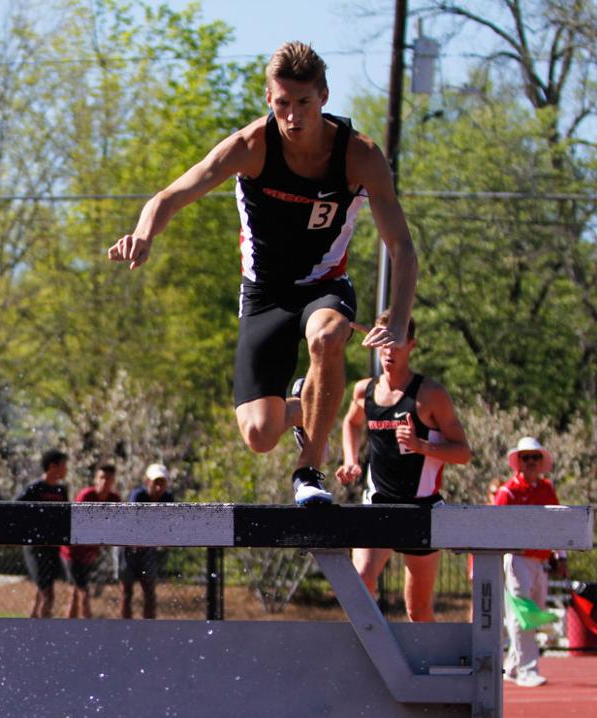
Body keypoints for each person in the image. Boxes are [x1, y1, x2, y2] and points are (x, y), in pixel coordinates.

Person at [107, 41, 417, 507]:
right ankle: (301, 403)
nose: (293, 117)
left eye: (304, 104)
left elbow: (403, 246)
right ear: (269, 101)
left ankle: (308, 472)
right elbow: (168, 196)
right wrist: (144, 234)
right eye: (283, 104)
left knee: (328, 337)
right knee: (259, 434)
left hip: (324, 285)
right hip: (265, 294)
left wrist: (397, 320)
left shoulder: (360, 157)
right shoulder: (250, 147)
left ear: (325, 97)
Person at [334, 315, 470, 621]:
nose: (388, 351)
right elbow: (351, 423)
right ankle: (375, 660)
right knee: (359, 583)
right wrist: (351, 460)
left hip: (421, 509)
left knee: (418, 609)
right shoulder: (364, 391)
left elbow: (463, 453)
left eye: (396, 343)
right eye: (383, 342)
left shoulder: (430, 395)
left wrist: (423, 446)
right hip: (378, 503)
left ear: (411, 346)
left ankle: (423, 665)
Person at [494, 437, 565, 687]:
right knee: (521, 615)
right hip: (517, 559)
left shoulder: (546, 489)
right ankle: (527, 669)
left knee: (533, 614)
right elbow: (496, 527)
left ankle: (513, 665)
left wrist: (561, 555)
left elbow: (556, 524)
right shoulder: (508, 492)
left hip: (541, 561)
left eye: (535, 457)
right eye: (526, 457)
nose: (531, 462)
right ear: (518, 462)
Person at [118, 464, 176, 620]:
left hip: (149, 548)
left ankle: (148, 628)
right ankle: (125, 628)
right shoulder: (138, 496)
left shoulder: (167, 499)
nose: (158, 487)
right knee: (126, 591)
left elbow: (168, 524)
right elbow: (133, 522)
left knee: (149, 592)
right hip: (129, 547)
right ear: (147, 482)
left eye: (162, 483)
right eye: (155, 482)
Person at [63, 464, 120, 618]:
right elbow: (79, 524)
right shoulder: (86, 496)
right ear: (95, 479)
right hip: (73, 552)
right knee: (83, 593)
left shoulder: (114, 500)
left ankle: (71, 630)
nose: (104, 482)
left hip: (90, 553)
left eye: (108, 479)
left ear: (113, 481)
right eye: (101, 478)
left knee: (75, 592)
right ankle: (86, 630)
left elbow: (116, 525)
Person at [16, 450, 69, 618]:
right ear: (52, 467)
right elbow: (15, 508)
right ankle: (43, 634)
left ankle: (31, 629)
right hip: (36, 546)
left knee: (42, 592)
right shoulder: (35, 488)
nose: (66, 469)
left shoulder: (61, 490)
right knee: (47, 593)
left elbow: (65, 514)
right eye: (63, 465)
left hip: (53, 545)